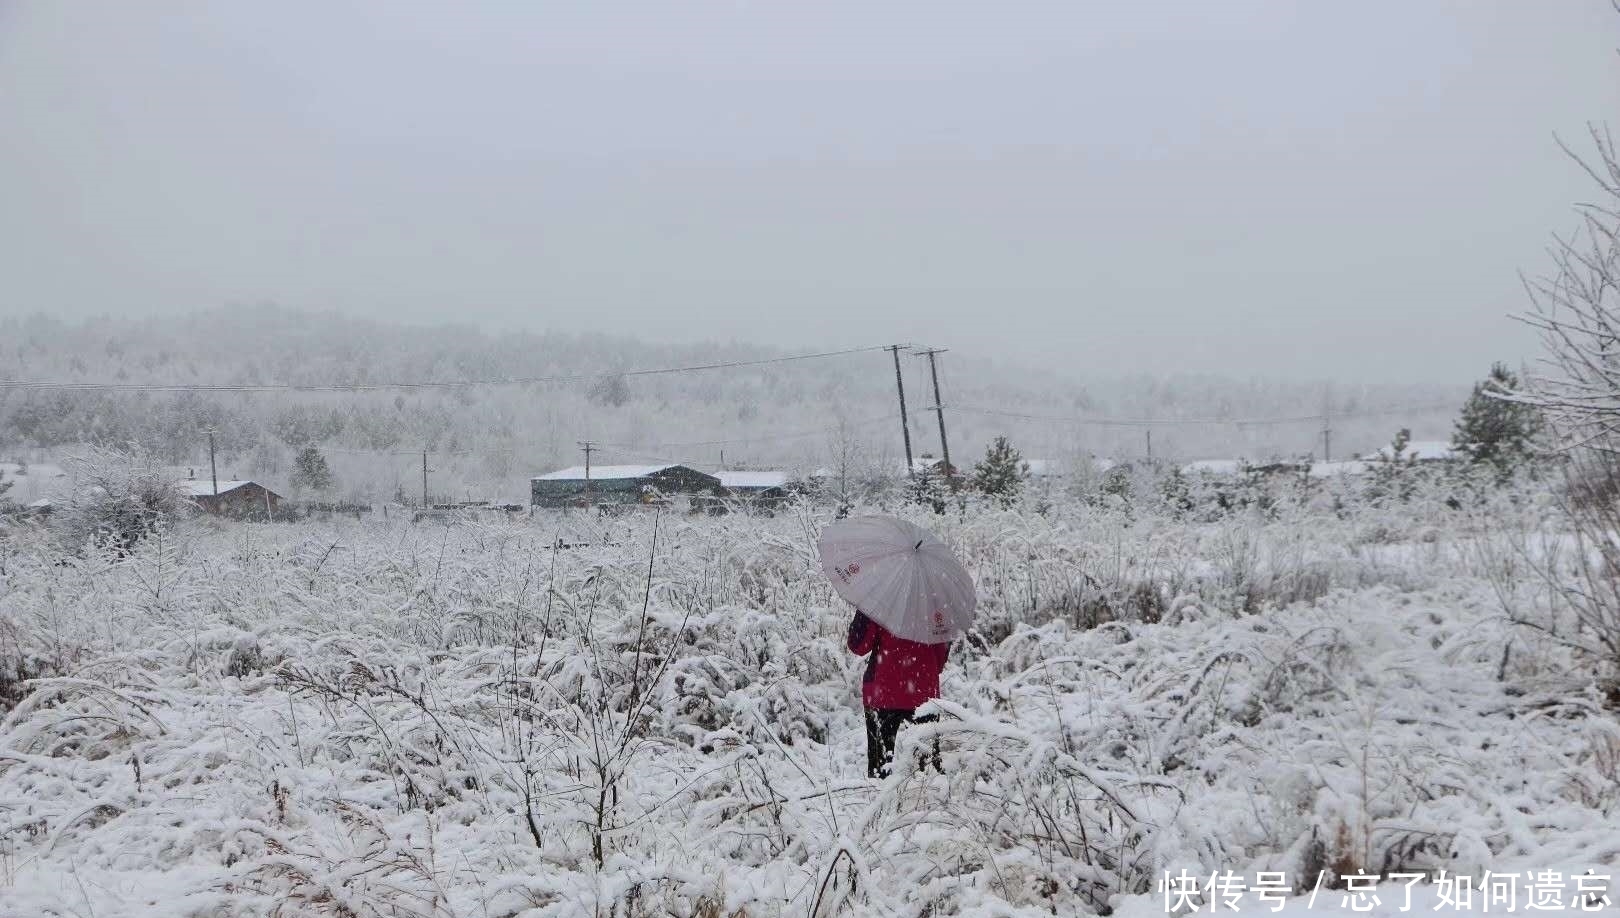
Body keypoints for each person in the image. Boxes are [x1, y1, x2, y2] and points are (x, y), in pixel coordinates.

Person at [846, 608, 949, 778]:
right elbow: (939, 659)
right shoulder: (935, 602)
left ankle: (882, 802)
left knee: (881, 771)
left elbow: (858, 645)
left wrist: (864, 609)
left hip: (883, 692)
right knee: (926, 772)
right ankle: (924, 801)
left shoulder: (881, 600)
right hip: (924, 694)